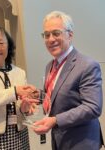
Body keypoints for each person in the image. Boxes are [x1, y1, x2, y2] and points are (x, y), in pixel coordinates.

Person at [33, 11, 104, 150]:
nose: (51, 39)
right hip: (59, 140)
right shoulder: (50, 65)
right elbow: (57, 94)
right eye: (46, 35)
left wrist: (55, 120)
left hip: (81, 143)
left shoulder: (87, 65)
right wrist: (36, 96)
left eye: (56, 33)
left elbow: (93, 107)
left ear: (70, 35)